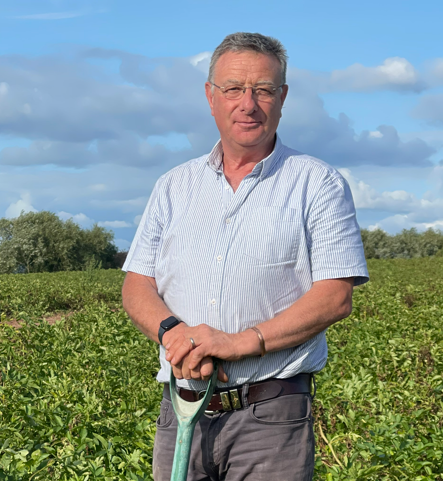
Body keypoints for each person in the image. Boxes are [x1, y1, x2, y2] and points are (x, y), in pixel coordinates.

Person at [121, 32, 369, 480]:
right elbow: (137, 284)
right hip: (181, 408)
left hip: (270, 416)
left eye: (263, 90)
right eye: (233, 88)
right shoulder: (174, 186)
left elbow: (335, 297)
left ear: (283, 97)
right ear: (210, 97)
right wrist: (172, 333)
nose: (248, 103)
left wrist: (236, 343)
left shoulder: (318, 184)